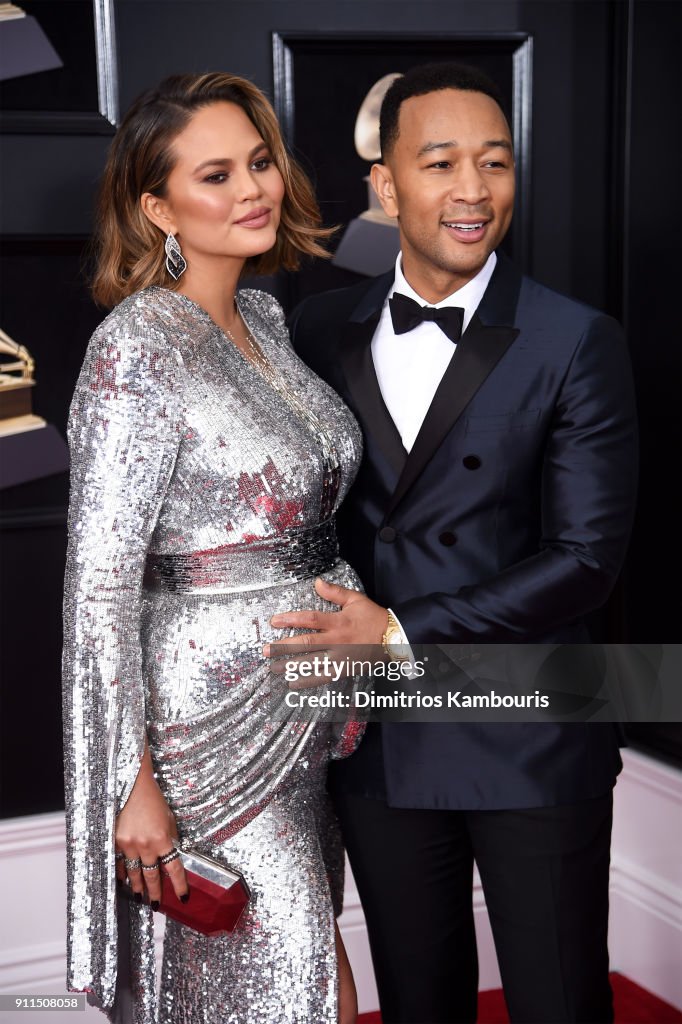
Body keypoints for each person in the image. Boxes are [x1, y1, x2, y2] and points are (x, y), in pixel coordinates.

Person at [271, 63, 639, 1023]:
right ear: (388, 187)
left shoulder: (576, 339)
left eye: (496, 163)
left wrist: (397, 632)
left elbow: (588, 560)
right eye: (441, 164)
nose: (473, 190)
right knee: (417, 997)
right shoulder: (319, 327)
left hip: (531, 727)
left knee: (559, 1000)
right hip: (380, 739)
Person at [62, 71, 363, 1024]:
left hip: (311, 704)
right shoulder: (136, 347)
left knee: (302, 976)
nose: (253, 190)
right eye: (216, 175)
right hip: (207, 735)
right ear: (158, 208)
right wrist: (130, 786)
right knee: (298, 978)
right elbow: (98, 591)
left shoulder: (267, 320)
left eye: (261, 162)